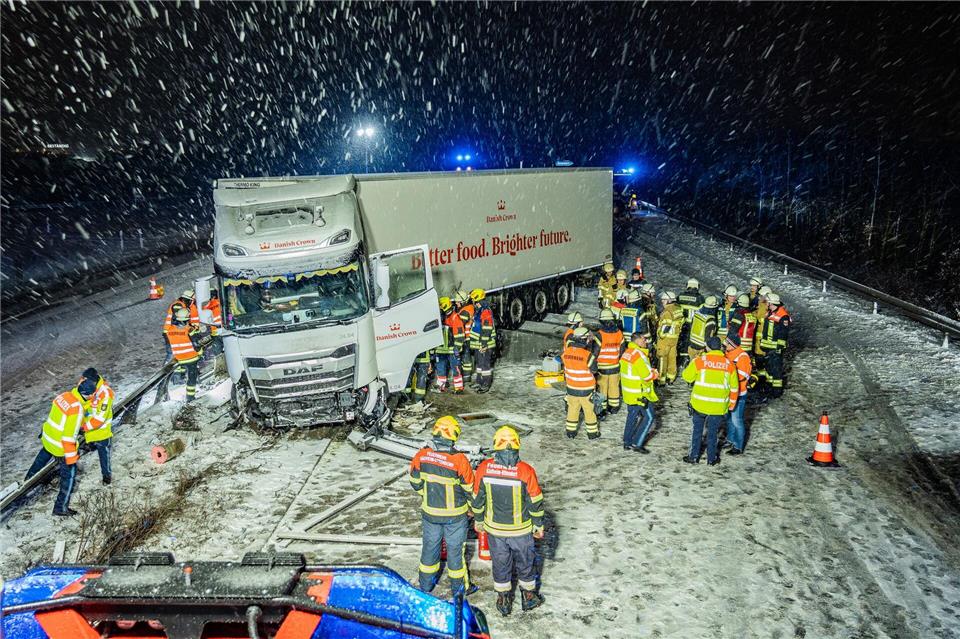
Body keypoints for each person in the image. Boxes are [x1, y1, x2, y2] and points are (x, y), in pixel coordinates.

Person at [472, 426, 545, 616]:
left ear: (495, 446)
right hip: (520, 530)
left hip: (495, 530)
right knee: (526, 562)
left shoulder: (484, 468)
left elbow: (477, 499)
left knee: (500, 562)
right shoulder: (526, 471)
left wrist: (479, 520)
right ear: (517, 446)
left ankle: (503, 600)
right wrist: (538, 525)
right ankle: (529, 597)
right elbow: (535, 502)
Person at [409, 416, 475, 596]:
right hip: (456, 516)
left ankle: (425, 586)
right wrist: (473, 508)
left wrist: (429, 496)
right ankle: (460, 590)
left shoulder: (421, 455)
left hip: (430, 514)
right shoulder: (459, 460)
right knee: (455, 553)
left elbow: (415, 483)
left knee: (430, 549)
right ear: (453, 436)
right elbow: (470, 488)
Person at [24, 377, 97, 516]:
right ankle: (60, 507)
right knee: (69, 477)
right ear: (87, 395)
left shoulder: (64, 396)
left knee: (40, 461)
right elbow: (69, 437)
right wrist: (71, 459)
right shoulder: (77, 410)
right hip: (60, 446)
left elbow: (61, 417)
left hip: (48, 438)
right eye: (92, 395)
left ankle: (27, 483)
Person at [681, 336, 739, 465]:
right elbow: (734, 387)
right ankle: (711, 459)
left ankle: (694, 456)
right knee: (713, 433)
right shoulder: (729, 365)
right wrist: (732, 404)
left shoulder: (700, 361)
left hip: (699, 404)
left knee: (697, 431)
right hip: (718, 406)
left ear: (707, 347)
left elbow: (687, 377)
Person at [620, 332, 659, 453]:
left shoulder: (627, 353)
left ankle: (627, 441)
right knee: (649, 417)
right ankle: (637, 443)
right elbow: (647, 376)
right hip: (640, 394)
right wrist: (655, 374)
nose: (646, 341)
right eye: (644, 339)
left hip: (629, 392)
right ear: (637, 340)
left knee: (632, 417)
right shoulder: (639, 356)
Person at [561, 327, 599, 439]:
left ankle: (570, 432)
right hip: (586, 389)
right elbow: (594, 370)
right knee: (589, 411)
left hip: (571, 388)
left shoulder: (565, 353)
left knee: (572, 409)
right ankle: (592, 433)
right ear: (583, 339)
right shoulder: (588, 355)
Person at [80, 367, 115, 485]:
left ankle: (106, 477)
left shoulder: (105, 393)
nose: (82, 382)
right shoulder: (90, 385)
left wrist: (83, 428)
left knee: (103, 456)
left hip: (101, 432)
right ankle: (91, 446)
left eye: (85, 380)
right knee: (95, 448)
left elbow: (100, 419)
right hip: (90, 430)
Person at [166, 307, 203, 401]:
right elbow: (196, 344)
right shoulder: (189, 330)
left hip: (179, 358)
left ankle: (178, 382)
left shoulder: (170, 330)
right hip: (191, 358)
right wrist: (200, 353)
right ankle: (190, 397)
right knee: (192, 377)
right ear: (187, 319)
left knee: (184, 374)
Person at [758, 293, 791, 398]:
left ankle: (776, 393)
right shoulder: (770, 313)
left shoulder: (783, 316)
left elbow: (783, 334)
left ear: (772, 303)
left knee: (776, 371)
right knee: (769, 370)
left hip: (775, 349)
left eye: (768, 302)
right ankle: (769, 389)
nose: (766, 303)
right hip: (768, 348)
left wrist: (779, 349)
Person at [723, 335, 752, 454]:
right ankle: (730, 439)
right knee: (729, 419)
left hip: (739, 394)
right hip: (729, 393)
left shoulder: (742, 356)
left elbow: (743, 375)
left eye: (727, 343)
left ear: (733, 345)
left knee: (736, 420)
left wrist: (727, 375)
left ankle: (738, 446)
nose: (725, 345)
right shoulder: (727, 354)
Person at [596, 308, 624, 415]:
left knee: (603, 387)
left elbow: (595, 352)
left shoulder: (600, 335)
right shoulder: (619, 333)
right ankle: (614, 407)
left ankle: (603, 407)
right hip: (615, 366)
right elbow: (622, 350)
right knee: (614, 387)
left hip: (602, 367)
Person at [468, 288, 497, 393]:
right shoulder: (479, 310)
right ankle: (479, 381)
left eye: (473, 300)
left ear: (477, 300)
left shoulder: (485, 311)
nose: (472, 302)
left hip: (484, 344)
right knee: (479, 364)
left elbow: (487, 329)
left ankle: (485, 384)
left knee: (485, 366)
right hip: (478, 344)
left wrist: (484, 344)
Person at [435, 297, 465, 394]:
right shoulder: (440, 317)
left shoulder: (455, 317)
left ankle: (459, 388)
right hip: (441, 349)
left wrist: (458, 348)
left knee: (456, 369)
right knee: (440, 369)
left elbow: (460, 335)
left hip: (452, 349)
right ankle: (440, 386)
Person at [655, 291, 684, 384]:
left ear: (669, 300)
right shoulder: (678, 309)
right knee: (672, 358)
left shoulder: (667, 311)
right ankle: (671, 377)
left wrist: (660, 335)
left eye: (664, 300)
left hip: (665, 339)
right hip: (674, 339)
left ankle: (661, 379)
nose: (662, 302)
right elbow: (681, 322)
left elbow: (666, 325)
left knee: (662, 359)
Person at [163, 290, 199, 361]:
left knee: (178, 350)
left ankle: (177, 367)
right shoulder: (178, 306)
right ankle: (166, 369)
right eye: (192, 301)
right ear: (188, 300)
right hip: (170, 331)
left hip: (173, 331)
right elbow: (179, 320)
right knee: (171, 352)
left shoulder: (183, 305)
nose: (192, 303)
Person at [751, 286, 772, 389]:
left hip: (760, 338)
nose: (759, 297)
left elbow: (757, 316)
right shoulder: (770, 306)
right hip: (766, 338)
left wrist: (752, 312)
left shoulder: (763, 306)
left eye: (761, 296)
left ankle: (762, 381)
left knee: (760, 359)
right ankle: (766, 380)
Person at [688, 295, 719, 360]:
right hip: (701, 349)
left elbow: (691, 326)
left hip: (692, 344)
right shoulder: (710, 320)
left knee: (692, 367)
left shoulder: (697, 313)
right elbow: (708, 337)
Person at [676, 278, 704, 350]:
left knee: (680, 345)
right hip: (693, 325)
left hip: (681, 324)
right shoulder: (700, 298)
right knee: (689, 346)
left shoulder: (680, 296)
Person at [455, 289, 476, 383]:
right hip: (467, 337)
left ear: (463, 301)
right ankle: (467, 376)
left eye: (458, 302)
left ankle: (467, 377)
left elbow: (460, 324)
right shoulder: (468, 308)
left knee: (466, 358)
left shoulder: (465, 311)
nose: (456, 303)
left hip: (467, 338)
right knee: (465, 358)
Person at [202, 289, 224, 355]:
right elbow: (229, 313)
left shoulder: (205, 307)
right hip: (225, 328)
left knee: (218, 350)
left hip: (216, 331)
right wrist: (230, 322)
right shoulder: (220, 302)